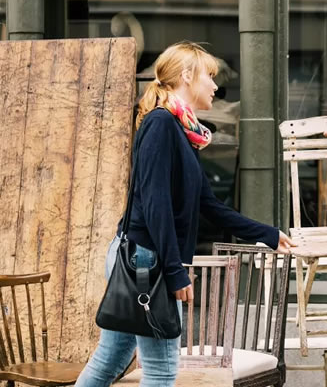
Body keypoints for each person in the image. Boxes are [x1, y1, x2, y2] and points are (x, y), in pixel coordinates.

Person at [76, 41, 295, 387]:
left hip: (144, 258)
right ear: (187, 76)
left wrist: (267, 234)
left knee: (110, 361)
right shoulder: (162, 124)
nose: (215, 86)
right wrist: (175, 272)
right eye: (210, 76)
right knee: (160, 370)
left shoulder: (181, 131)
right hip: (146, 263)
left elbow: (209, 204)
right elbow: (156, 205)